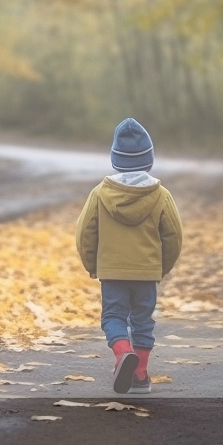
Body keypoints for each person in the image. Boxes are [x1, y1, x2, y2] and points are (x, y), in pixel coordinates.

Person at [75, 118, 184, 394]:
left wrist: (92, 264)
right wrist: (162, 267)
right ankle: (141, 375)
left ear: (115, 160)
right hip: (147, 272)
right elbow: (173, 237)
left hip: (111, 272)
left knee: (113, 316)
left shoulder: (100, 194)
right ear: (149, 161)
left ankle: (123, 353)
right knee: (143, 321)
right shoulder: (161, 195)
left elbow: (84, 233)